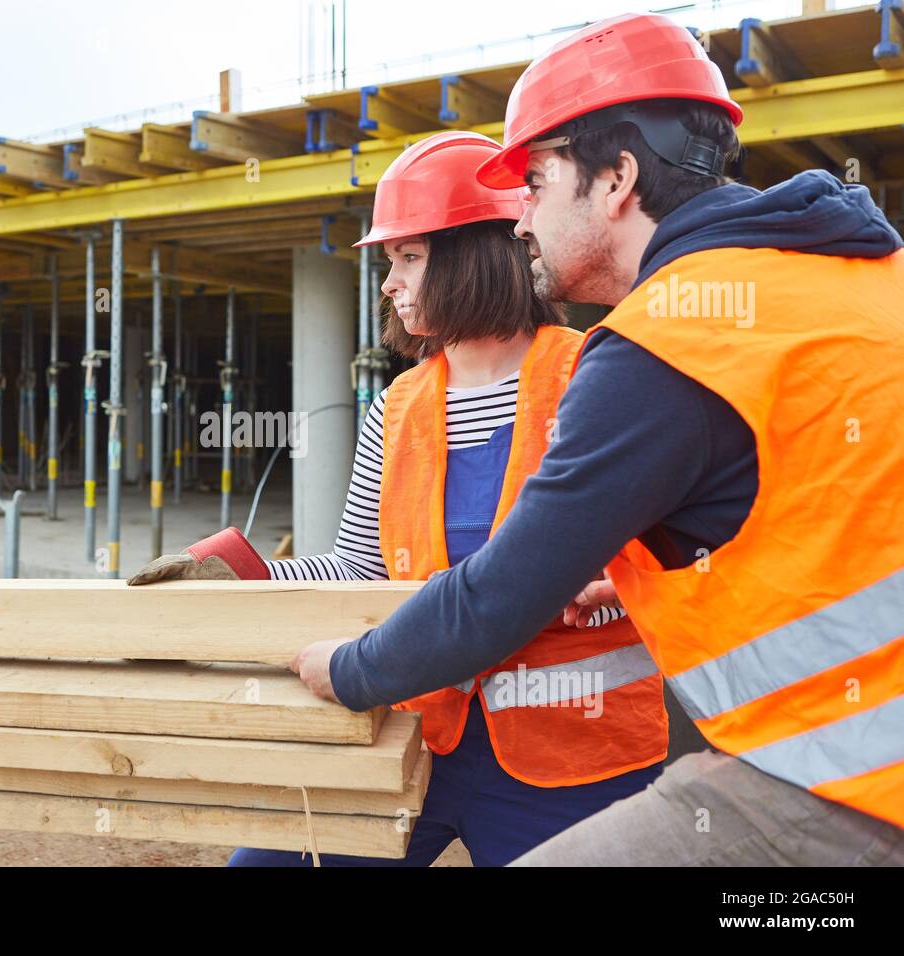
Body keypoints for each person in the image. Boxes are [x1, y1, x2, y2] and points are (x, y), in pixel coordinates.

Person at [292, 12, 904, 865]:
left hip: (842, 777)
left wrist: (348, 670)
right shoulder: (858, 274)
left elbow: (495, 597)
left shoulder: (662, 344)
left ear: (616, 179)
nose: (520, 221)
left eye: (537, 184)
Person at [129, 132, 667, 867]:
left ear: (479, 252)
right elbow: (361, 563)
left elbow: (687, 551)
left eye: (409, 257)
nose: (389, 282)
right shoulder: (400, 406)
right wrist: (244, 571)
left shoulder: (598, 377)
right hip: (420, 729)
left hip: (575, 753)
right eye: (391, 261)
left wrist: (628, 581)